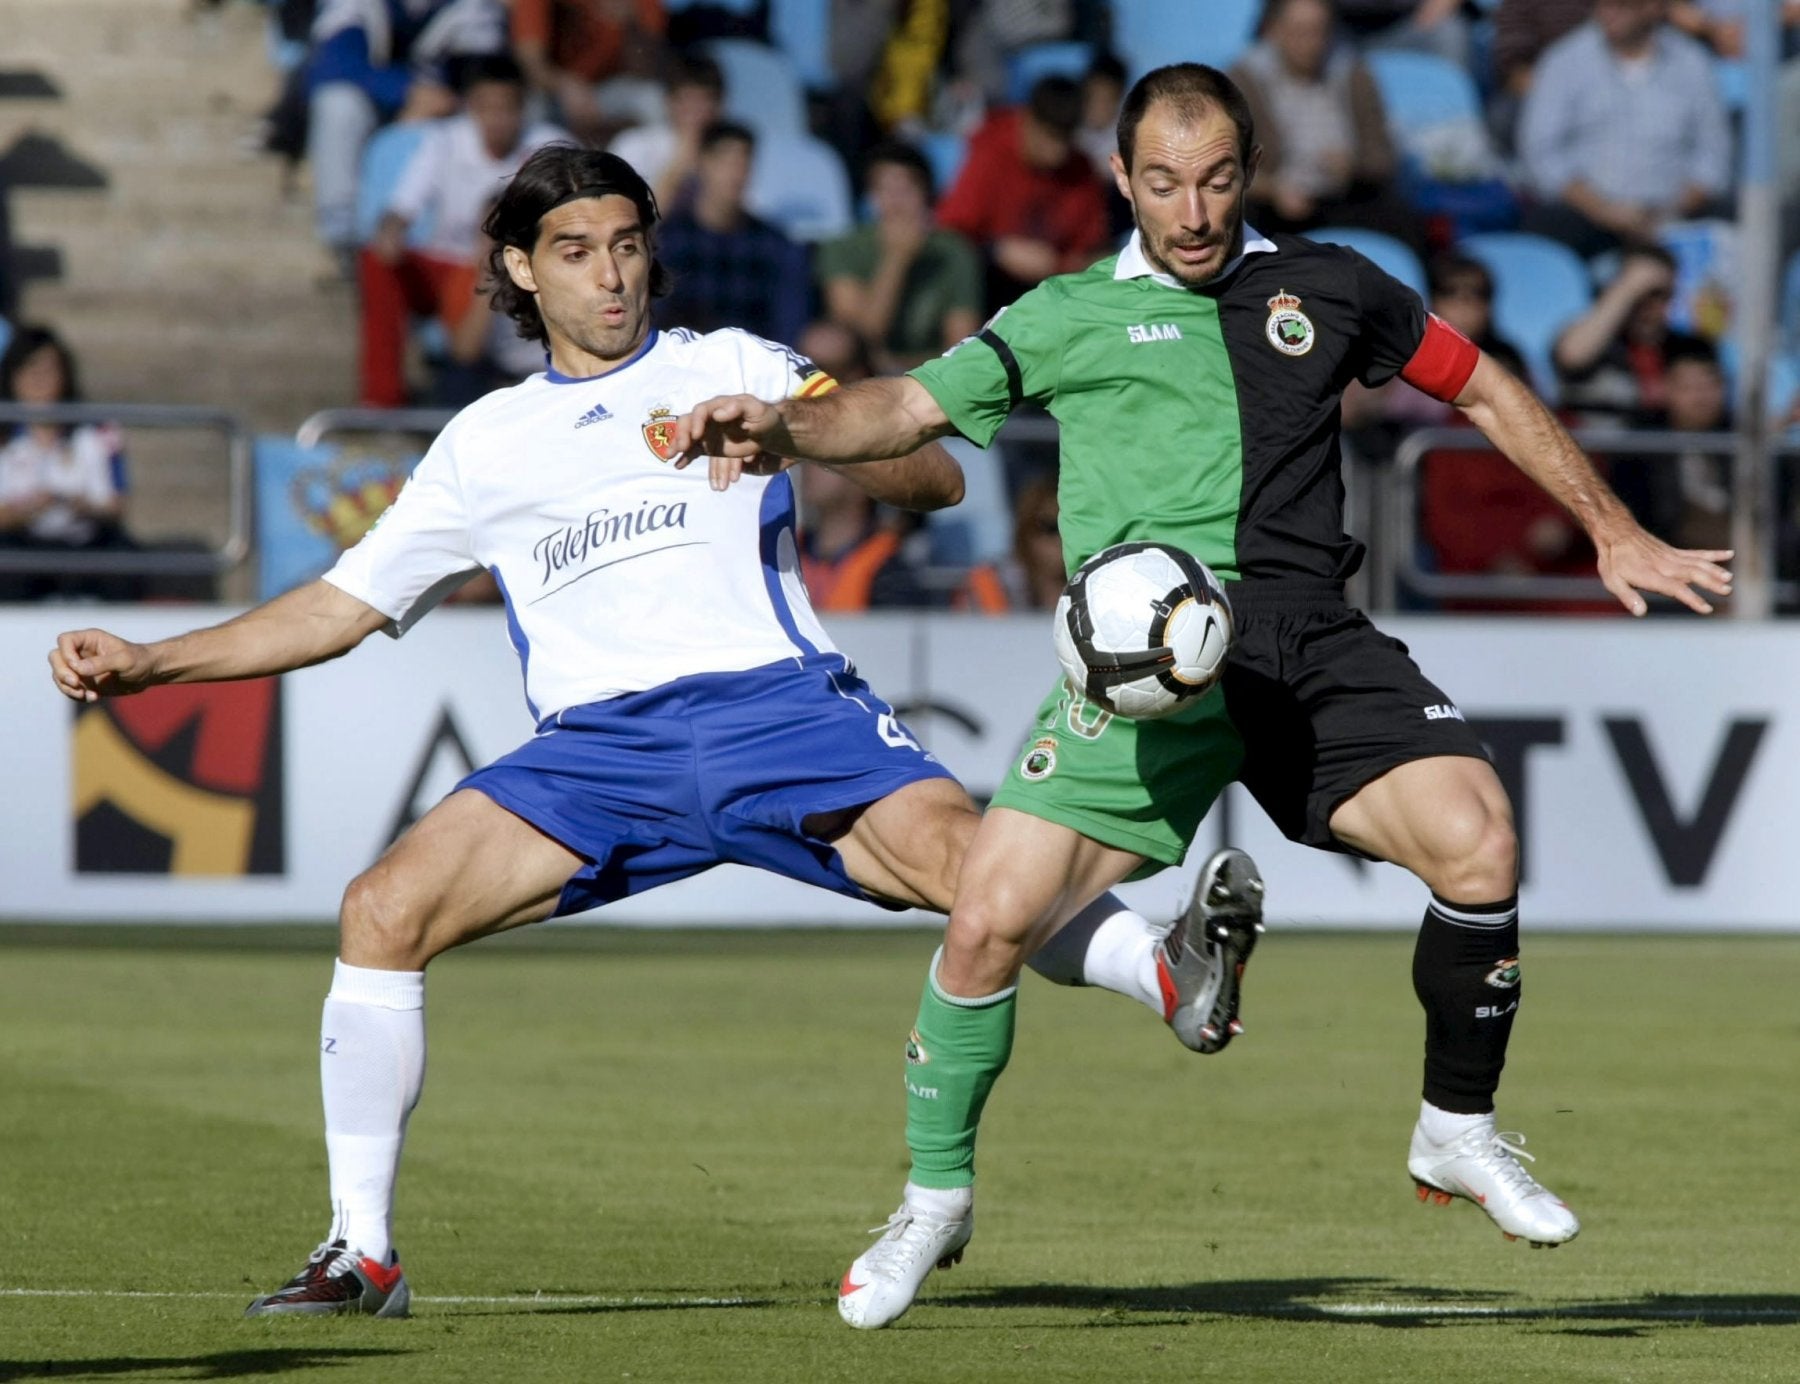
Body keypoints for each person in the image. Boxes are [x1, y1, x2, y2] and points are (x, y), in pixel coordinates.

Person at [47, 145, 1257, 1317]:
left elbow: (931, 478)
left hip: (776, 709)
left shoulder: (735, 357)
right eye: (576, 251)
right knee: (381, 910)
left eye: (627, 246)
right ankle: (362, 1254)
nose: (611, 275)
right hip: (596, 753)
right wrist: (158, 661)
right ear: (521, 269)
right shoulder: (485, 443)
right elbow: (339, 606)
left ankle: (1168, 971)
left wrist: (789, 431)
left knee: (978, 872)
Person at [678, 62, 1734, 1329]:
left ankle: (1457, 1128)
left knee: (1480, 840)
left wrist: (1613, 527)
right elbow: (904, 405)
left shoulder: (1334, 286)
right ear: (1123, 178)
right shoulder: (1065, 312)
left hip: (1308, 642)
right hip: (1138, 670)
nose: (1192, 211)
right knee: (986, 922)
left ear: (1250, 169)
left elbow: (1486, 387)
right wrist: (786, 430)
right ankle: (934, 1201)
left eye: (1218, 180)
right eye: (1164, 183)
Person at [357, 54, 565, 407]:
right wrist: (390, 233)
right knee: (377, 263)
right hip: (452, 267)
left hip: (514, 268)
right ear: (470, 107)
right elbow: (401, 208)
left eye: (507, 108)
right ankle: (382, 399)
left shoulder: (549, 146)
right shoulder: (444, 140)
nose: (496, 120)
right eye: (486, 108)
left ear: (523, 108)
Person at [1518, 0, 1732, 257]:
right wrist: (1604, 210)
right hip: (1586, 214)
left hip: (1673, 213)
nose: (1609, 13)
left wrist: (1669, 212)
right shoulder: (1565, 60)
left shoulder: (1692, 61)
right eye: (1601, 5)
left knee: (1742, 222)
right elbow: (1541, 151)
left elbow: (1713, 152)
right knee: (1544, 227)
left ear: (1653, 7)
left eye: (1621, 5)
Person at [306, 0, 507, 269]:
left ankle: (436, 251)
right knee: (337, 104)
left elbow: (485, 74)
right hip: (377, 103)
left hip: (442, 111)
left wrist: (442, 102)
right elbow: (332, 63)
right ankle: (343, 237)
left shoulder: (472, 6)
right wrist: (406, 93)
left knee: (468, 124)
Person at [1230, 0, 1418, 250]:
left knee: (1404, 218)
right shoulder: (1245, 80)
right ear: (1275, 30)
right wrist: (1274, 190)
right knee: (1241, 220)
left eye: (1318, 31)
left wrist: (1353, 167)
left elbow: (1383, 156)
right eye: (1299, 32)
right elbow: (1229, 165)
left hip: (1343, 195)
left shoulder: (1353, 73)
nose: (1310, 44)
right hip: (1275, 201)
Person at [936, 74, 1111, 314]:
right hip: (985, 283)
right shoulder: (992, 148)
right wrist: (997, 251)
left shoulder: (1081, 171)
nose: (1057, 152)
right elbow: (950, 231)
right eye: (1049, 137)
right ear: (1028, 121)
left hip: (1049, 291)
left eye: (1064, 140)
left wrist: (1063, 264)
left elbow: (1092, 247)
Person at [816, 141, 983, 373]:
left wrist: (906, 369)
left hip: (933, 373)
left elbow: (962, 344)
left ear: (926, 194)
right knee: (827, 344)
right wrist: (896, 259)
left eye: (906, 190)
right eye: (884, 190)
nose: (895, 203)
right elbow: (859, 336)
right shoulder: (844, 247)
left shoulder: (953, 252)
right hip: (862, 373)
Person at [0, 325, 136, 602]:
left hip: (86, 541)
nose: (40, 380)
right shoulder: (4, 436)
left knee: (124, 557)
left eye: (49, 370)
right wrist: (28, 510)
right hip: (23, 541)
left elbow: (118, 504)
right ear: (13, 376)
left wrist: (84, 506)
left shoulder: (98, 432)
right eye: (31, 370)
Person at [653, 121, 813, 346]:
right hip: (680, 362)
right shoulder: (669, 240)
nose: (736, 173)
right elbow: (654, 317)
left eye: (744, 162)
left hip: (752, 366)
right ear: (702, 163)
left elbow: (788, 323)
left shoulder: (775, 244)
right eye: (725, 161)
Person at [1553, 245, 1711, 428]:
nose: (1648, 305)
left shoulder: (1686, 347)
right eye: (1640, 294)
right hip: (1592, 451)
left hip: (1661, 452)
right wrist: (1629, 287)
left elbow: (1704, 413)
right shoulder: (1594, 339)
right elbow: (1571, 356)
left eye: (1659, 294)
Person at [510, 0, 666, 145]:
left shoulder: (640, 4)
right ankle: (536, 169)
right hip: (556, 91)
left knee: (652, 99)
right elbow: (531, 61)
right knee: (534, 109)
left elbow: (646, 70)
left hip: (608, 90)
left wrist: (630, 24)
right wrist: (566, 86)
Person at [607, 53, 724, 212]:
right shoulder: (634, 144)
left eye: (705, 101)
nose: (697, 113)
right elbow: (629, 217)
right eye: (689, 101)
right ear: (669, 101)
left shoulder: (727, 155)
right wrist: (680, 164)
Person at [953, 474, 1065, 612]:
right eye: (1051, 527)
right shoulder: (989, 584)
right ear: (1026, 532)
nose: (1063, 537)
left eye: (1072, 528)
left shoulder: (1096, 587)